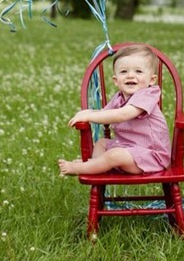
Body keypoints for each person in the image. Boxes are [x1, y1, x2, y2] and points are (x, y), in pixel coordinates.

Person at [58, 44, 171, 176]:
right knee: (101, 143)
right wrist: (88, 112)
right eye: (124, 71)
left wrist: (88, 117)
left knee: (114, 154)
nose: (130, 76)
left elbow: (122, 115)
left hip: (151, 156)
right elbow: (105, 114)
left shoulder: (147, 96)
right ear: (116, 80)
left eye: (138, 71)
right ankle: (95, 165)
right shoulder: (118, 98)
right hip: (128, 149)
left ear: (152, 80)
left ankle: (82, 168)